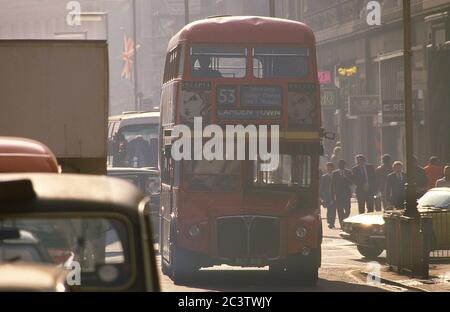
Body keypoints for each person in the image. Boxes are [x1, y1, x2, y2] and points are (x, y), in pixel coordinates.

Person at [331, 159, 353, 227]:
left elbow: (351, 182)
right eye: (339, 164)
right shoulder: (335, 173)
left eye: (342, 164)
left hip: (346, 194)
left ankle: (344, 218)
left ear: (344, 165)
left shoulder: (348, 172)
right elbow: (332, 184)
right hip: (338, 194)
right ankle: (342, 224)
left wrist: (346, 178)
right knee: (340, 210)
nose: (341, 166)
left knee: (348, 210)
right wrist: (332, 195)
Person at [320, 162, 336, 229]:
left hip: (335, 195)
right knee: (329, 209)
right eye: (327, 167)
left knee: (334, 209)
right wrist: (321, 197)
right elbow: (321, 187)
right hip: (327, 196)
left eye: (330, 167)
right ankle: (330, 221)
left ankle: (332, 222)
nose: (328, 168)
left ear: (332, 167)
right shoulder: (324, 177)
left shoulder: (335, 175)